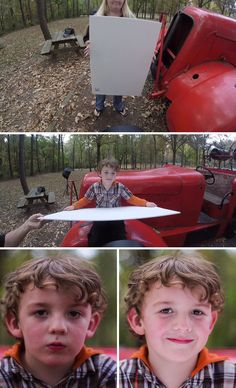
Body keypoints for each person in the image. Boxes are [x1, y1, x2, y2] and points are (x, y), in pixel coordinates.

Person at [120, 254, 236, 387]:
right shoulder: (115, 380)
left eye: (197, 312)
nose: (183, 326)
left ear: (211, 322)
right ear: (137, 321)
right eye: (166, 310)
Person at [0, 256, 116, 387]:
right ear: (15, 323)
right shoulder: (3, 376)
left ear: (91, 324)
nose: (58, 327)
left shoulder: (109, 374)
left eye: (73, 313)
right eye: (41, 313)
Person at [64, 157, 156, 246]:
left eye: (113, 173)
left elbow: (131, 198)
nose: (109, 176)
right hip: (100, 218)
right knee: (94, 239)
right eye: (106, 172)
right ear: (100, 173)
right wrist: (74, 206)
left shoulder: (120, 187)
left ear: (116, 174)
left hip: (116, 218)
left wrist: (146, 203)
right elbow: (85, 200)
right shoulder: (95, 187)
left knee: (120, 237)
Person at [84, 0, 135, 118]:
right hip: (102, 60)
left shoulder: (130, 19)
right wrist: (89, 43)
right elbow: (87, 37)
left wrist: (146, 51)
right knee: (101, 83)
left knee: (118, 83)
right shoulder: (98, 17)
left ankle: (118, 105)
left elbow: (135, 41)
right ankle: (99, 105)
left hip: (121, 62)